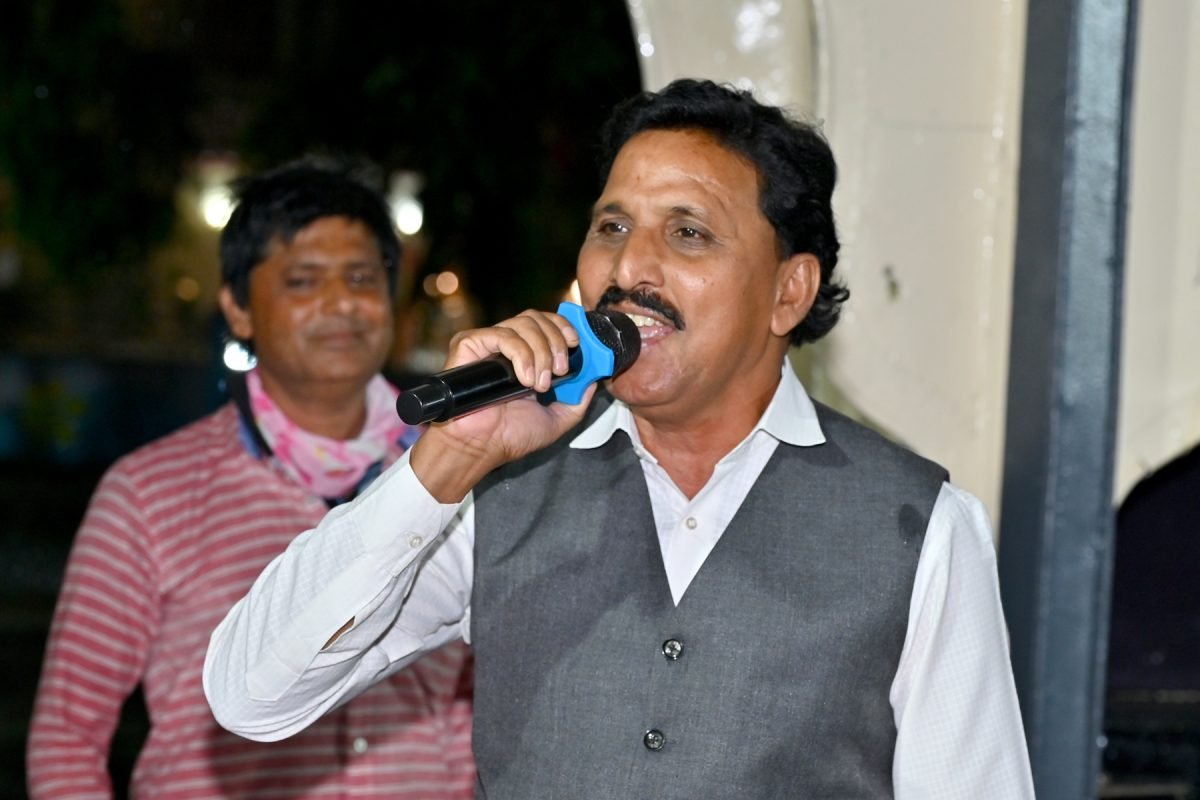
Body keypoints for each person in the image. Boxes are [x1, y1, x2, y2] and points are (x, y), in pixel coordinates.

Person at [204, 81, 1034, 798]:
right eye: (610, 227)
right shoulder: (502, 489)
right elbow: (251, 696)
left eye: (688, 232)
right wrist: (450, 458)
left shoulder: (918, 526)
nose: (630, 267)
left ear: (789, 292)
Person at [27, 161, 475, 798]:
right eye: (303, 280)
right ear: (238, 308)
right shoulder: (148, 494)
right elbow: (68, 737)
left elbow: (471, 703)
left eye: (361, 277)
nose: (341, 303)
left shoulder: (451, 479)